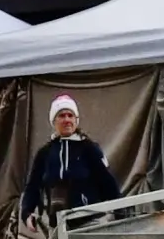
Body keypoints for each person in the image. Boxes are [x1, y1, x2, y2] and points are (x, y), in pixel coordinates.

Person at [21, 94, 121, 224]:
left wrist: (120, 211)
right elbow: (33, 186)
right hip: (57, 223)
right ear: (54, 121)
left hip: (89, 221)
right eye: (61, 116)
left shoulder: (88, 148)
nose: (67, 120)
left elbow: (107, 182)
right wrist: (27, 213)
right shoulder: (45, 153)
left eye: (70, 115)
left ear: (76, 120)